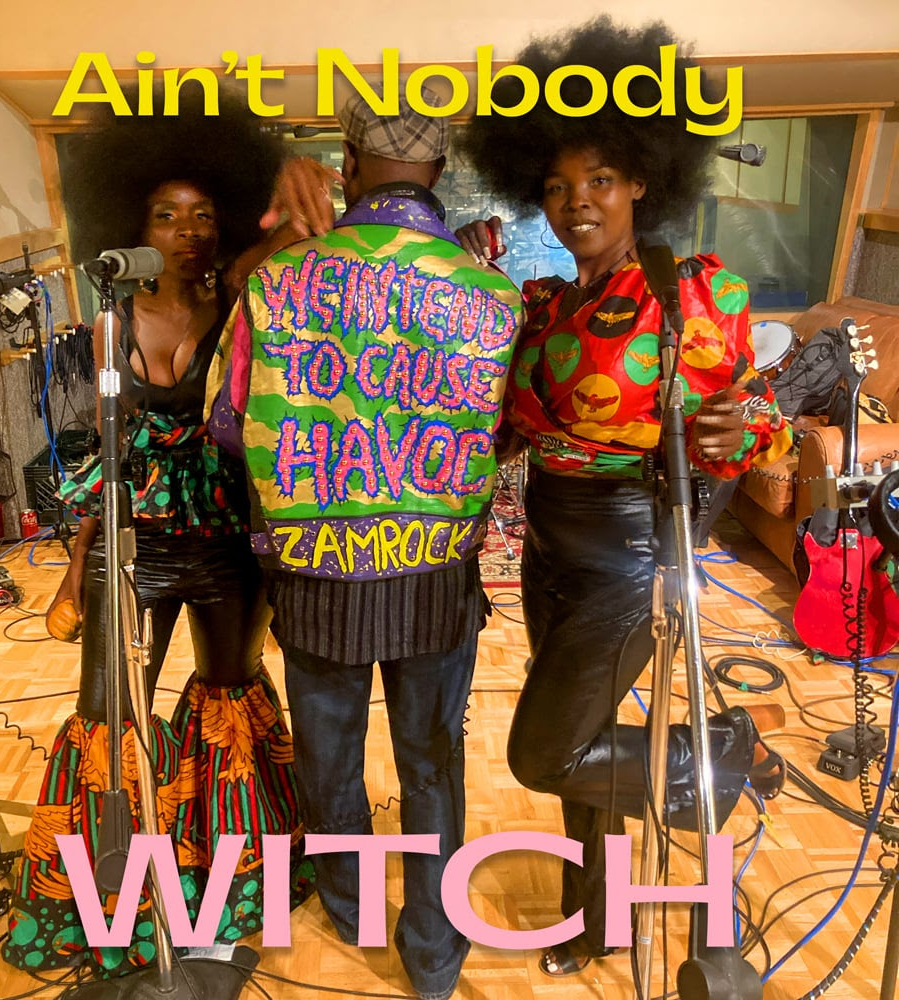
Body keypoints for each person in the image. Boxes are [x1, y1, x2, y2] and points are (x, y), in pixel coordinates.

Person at [455, 17, 793, 978]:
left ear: (643, 179)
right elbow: (505, 425)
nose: (577, 203)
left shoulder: (687, 292)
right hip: (547, 546)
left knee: (542, 752)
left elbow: (760, 416)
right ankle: (595, 916)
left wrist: (734, 425)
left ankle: (722, 760)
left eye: (599, 179)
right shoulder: (543, 304)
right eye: (558, 187)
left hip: (633, 550)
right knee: (585, 739)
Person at [205, 89, 523, 1000]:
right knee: (432, 764)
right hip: (434, 581)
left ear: (348, 167)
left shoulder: (277, 282)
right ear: (441, 172)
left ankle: (350, 912)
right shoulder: (494, 296)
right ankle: (433, 959)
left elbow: (226, 424)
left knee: (331, 759)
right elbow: (507, 432)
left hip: (316, 582)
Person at [4, 95, 318, 975]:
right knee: (110, 717)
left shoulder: (244, 299)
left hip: (224, 547)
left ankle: (227, 886)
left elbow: (297, 233)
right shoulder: (104, 325)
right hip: (130, 547)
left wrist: (295, 174)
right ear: (133, 226)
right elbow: (103, 466)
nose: (186, 233)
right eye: (166, 216)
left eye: (203, 215)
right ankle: (114, 892)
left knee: (229, 702)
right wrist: (76, 572)